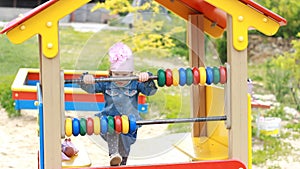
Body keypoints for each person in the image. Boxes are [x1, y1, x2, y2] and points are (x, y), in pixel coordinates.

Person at [79, 42, 157, 166]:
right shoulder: (107, 83)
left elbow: (150, 91)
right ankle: (113, 155)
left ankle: (121, 161)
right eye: (116, 74)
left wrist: (148, 78)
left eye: (125, 75)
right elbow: (90, 88)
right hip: (109, 123)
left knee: (125, 148)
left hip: (130, 123)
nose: (120, 78)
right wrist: (86, 79)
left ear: (132, 73)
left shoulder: (135, 83)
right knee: (112, 126)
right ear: (110, 72)